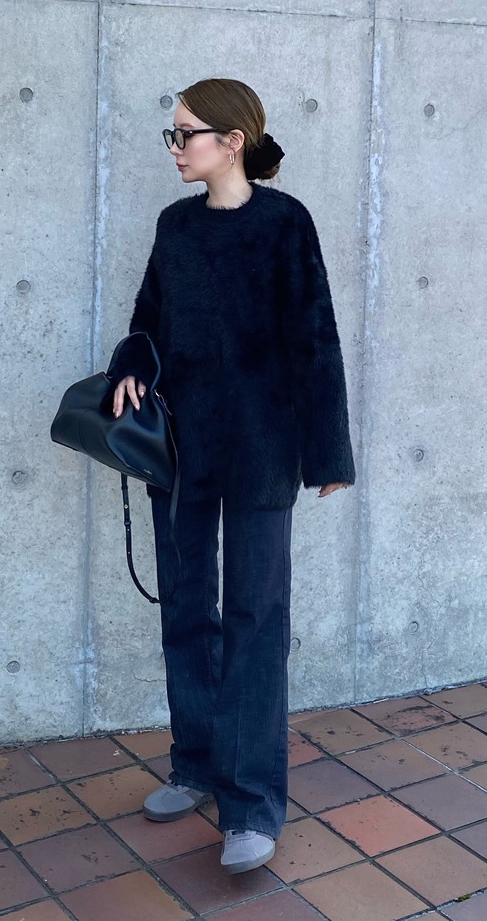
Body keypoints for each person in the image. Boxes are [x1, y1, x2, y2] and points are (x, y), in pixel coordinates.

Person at [109, 77, 356, 874]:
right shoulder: (175, 226)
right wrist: (130, 366)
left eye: (185, 133)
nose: (175, 147)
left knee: (255, 620)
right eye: (173, 134)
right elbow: (148, 321)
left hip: (261, 448)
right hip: (181, 451)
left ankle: (250, 805)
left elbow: (316, 338)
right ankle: (195, 765)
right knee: (186, 609)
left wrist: (328, 452)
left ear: (232, 141)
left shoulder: (285, 224)